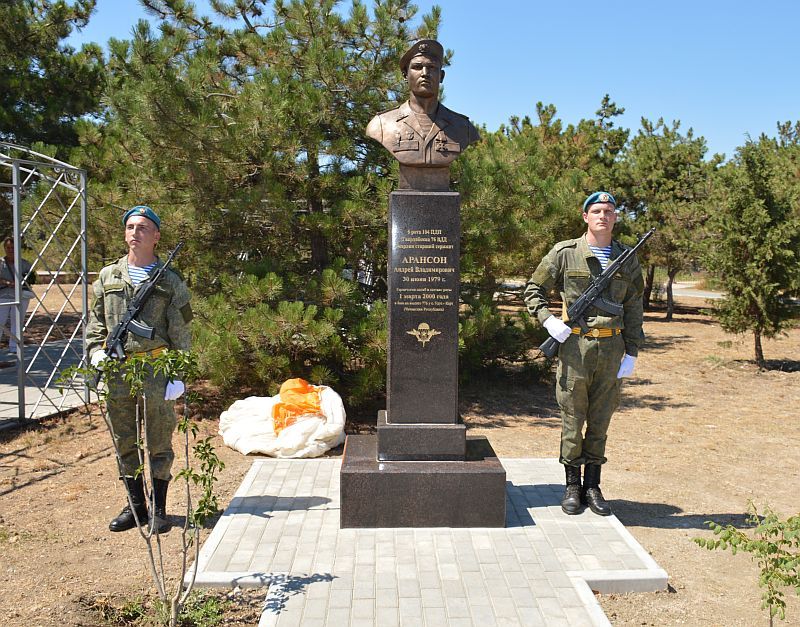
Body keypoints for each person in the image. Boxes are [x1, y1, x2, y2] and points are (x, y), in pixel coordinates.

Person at [523, 192, 644, 516]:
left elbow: (633, 306)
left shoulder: (627, 258)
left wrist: (632, 350)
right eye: (596, 211)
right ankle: (572, 486)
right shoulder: (565, 253)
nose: (602, 216)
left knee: (601, 419)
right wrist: (548, 320)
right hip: (575, 347)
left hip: (611, 347)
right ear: (585, 216)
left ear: (615, 217)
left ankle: (593, 485)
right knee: (573, 420)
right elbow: (533, 289)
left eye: (608, 211)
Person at [86, 205, 192, 533]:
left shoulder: (170, 281)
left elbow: (182, 332)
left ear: (156, 236)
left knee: (159, 440)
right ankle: (135, 507)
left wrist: (178, 374)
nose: (135, 233)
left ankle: (159, 508)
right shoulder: (107, 276)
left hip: (156, 370)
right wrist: (94, 353)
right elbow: (95, 323)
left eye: (143, 228)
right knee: (124, 440)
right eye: (130, 227)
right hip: (118, 372)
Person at [366, 39, 480, 190]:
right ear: (405, 75)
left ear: (442, 76)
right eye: (417, 67)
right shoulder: (381, 124)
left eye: (432, 67)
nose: (425, 73)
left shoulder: (463, 127)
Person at [0, 236, 37, 355]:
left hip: (20, 296)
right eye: (8, 247)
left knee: (17, 322)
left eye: (13, 247)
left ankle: (14, 347)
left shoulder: (25, 264)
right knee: (1, 321)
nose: (10, 250)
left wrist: (20, 282)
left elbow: (32, 279)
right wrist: (6, 282)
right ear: (4, 248)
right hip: (3, 296)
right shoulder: (1, 263)